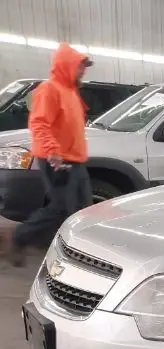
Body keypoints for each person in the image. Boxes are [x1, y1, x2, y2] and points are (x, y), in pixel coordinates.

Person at [0, 43, 93, 266]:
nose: (83, 71)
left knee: (83, 208)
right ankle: (18, 237)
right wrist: (52, 151)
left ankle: (77, 254)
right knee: (60, 208)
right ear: (66, 65)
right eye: (80, 66)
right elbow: (39, 123)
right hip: (56, 160)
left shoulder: (71, 91)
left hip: (75, 160)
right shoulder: (49, 90)